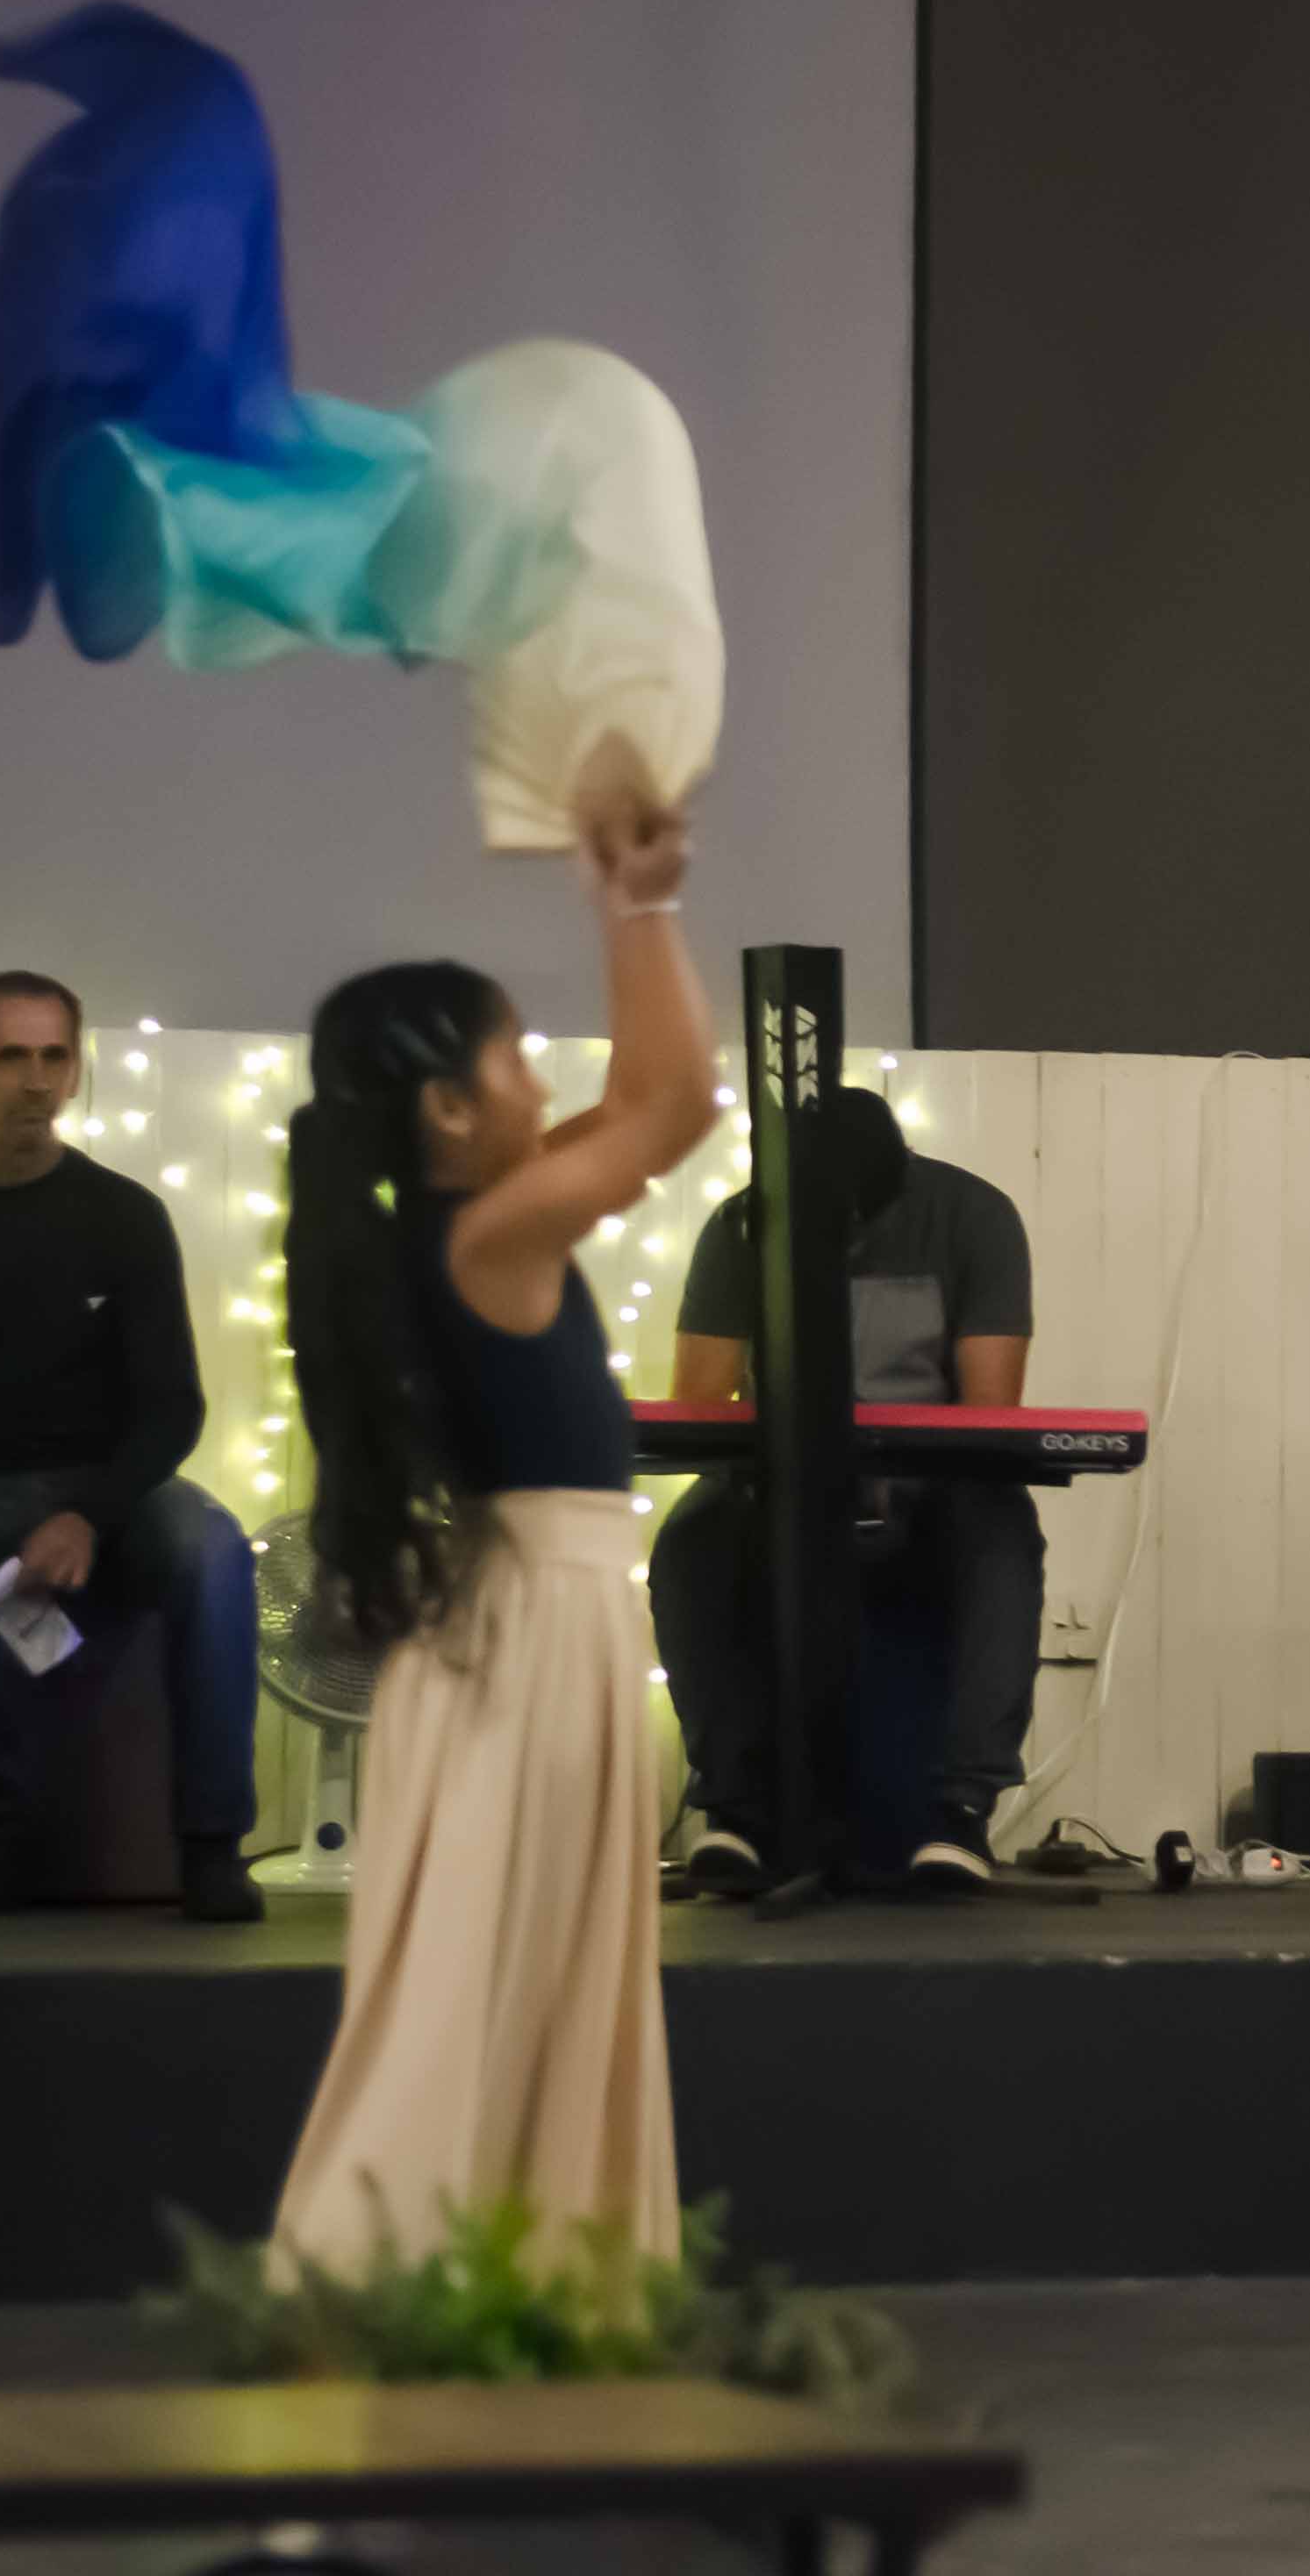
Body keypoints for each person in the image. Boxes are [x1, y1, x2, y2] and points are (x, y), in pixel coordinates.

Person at [270, 782, 717, 2272]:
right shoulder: (489, 1234)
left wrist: (627, 906)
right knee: (495, 1974)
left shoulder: (465, 1218)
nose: (539, 1075)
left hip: (521, 1621)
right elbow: (676, 1109)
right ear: (451, 1107)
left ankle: (514, 2265)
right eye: (514, 1052)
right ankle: (393, 2266)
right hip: (530, 1630)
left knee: (508, 1970)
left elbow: (649, 1091)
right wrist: (637, 904)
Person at [0, 970, 261, 1921]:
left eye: (54, 1057)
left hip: (115, 1494)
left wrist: (87, 1513)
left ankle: (212, 1844)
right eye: (10, 1057)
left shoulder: (124, 1215)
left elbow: (174, 1408)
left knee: (213, 1549)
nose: (35, 1081)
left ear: (74, 1072)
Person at [648, 1085, 1042, 1896]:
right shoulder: (741, 1225)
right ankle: (737, 1809)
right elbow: (700, 1404)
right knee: (691, 1542)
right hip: (779, 1483)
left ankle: (959, 1811)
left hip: (930, 1487)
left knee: (1000, 1532)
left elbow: (989, 1412)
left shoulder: (973, 1217)